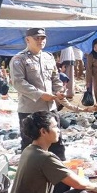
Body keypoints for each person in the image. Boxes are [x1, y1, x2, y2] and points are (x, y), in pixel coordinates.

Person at [9, 27, 67, 164]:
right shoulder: (19, 59)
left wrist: (60, 91)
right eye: (37, 38)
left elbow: (55, 78)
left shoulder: (48, 57)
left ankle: (60, 178)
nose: (40, 41)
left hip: (49, 109)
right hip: (30, 110)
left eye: (43, 38)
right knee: (31, 147)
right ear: (27, 40)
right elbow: (18, 83)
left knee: (56, 144)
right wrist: (40, 94)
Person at [85, 39, 97, 105]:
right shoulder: (91, 55)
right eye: (95, 47)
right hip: (96, 76)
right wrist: (88, 82)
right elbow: (89, 69)